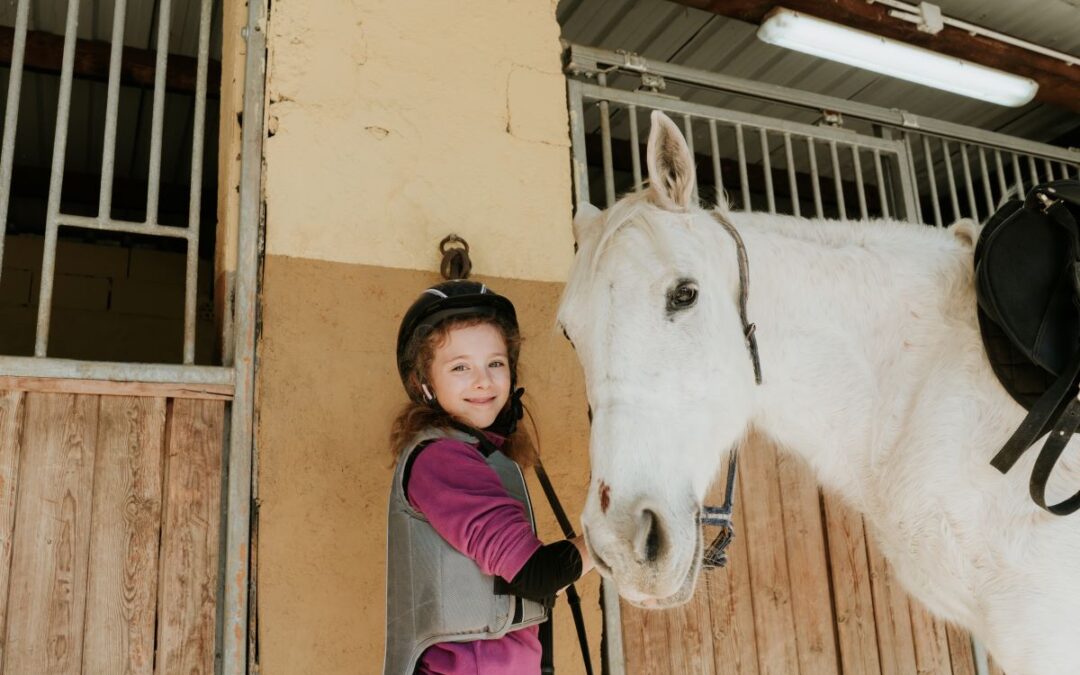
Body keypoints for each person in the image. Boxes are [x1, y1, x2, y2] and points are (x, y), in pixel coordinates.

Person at [384, 279, 594, 675]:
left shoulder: (481, 455)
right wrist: (608, 538)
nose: (483, 380)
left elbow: (514, 592)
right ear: (424, 383)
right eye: (460, 367)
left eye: (495, 363)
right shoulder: (442, 459)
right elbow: (535, 574)